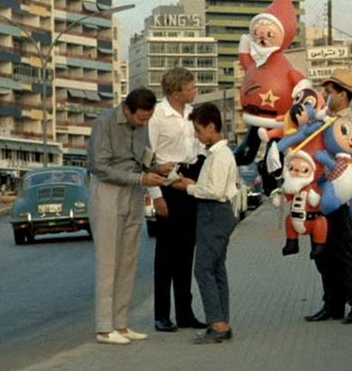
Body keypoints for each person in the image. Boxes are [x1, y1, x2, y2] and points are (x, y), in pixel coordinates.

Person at [87, 88, 173, 345]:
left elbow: (144, 157)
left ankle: (121, 324)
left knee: (128, 260)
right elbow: (100, 166)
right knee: (108, 261)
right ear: (127, 109)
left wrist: (158, 167)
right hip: (108, 192)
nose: (144, 124)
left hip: (134, 191)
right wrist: (141, 177)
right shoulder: (104, 123)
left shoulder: (143, 124)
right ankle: (104, 328)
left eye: (148, 119)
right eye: (140, 119)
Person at [305, 68, 352, 324]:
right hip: (320, 194)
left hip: (339, 196)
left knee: (345, 251)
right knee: (323, 253)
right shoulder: (324, 120)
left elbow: (350, 159)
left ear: (343, 95)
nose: (325, 95)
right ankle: (332, 304)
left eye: (330, 91)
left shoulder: (350, 125)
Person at [172, 103, 239, 344]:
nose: (198, 137)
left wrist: (188, 187)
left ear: (212, 127)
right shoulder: (217, 155)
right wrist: (192, 184)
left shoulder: (221, 156)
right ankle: (222, 321)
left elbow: (215, 190)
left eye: (199, 131)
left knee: (203, 269)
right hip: (215, 213)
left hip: (215, 214)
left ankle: (217, 323)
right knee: (216, 269)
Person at [148, 67, 208, 332]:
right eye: (191, 87)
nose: (195, 90)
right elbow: (147, 159)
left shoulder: (191, 114)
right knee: (165, 257)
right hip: (166, 184)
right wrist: (156, 196)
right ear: (175, 92)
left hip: (189, 180)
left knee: (186, 253)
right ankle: (162, 314)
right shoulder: (157, 116)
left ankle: (185, 312)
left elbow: (196, 148)